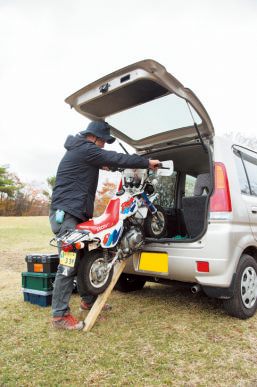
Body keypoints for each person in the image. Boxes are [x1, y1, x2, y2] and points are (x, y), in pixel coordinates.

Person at [49, 121, 161, 330]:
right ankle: (59, 316)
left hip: (74, 213)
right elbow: (114, 157)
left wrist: (113, 166)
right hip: (66, 214)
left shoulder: (82, 150)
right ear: (93, 137)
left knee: (82, 258)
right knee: (69, 262)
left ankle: (88, 300)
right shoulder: (85, 148)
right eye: (102, 141)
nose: (103, 146)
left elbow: (110, 162)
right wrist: (146, 162)